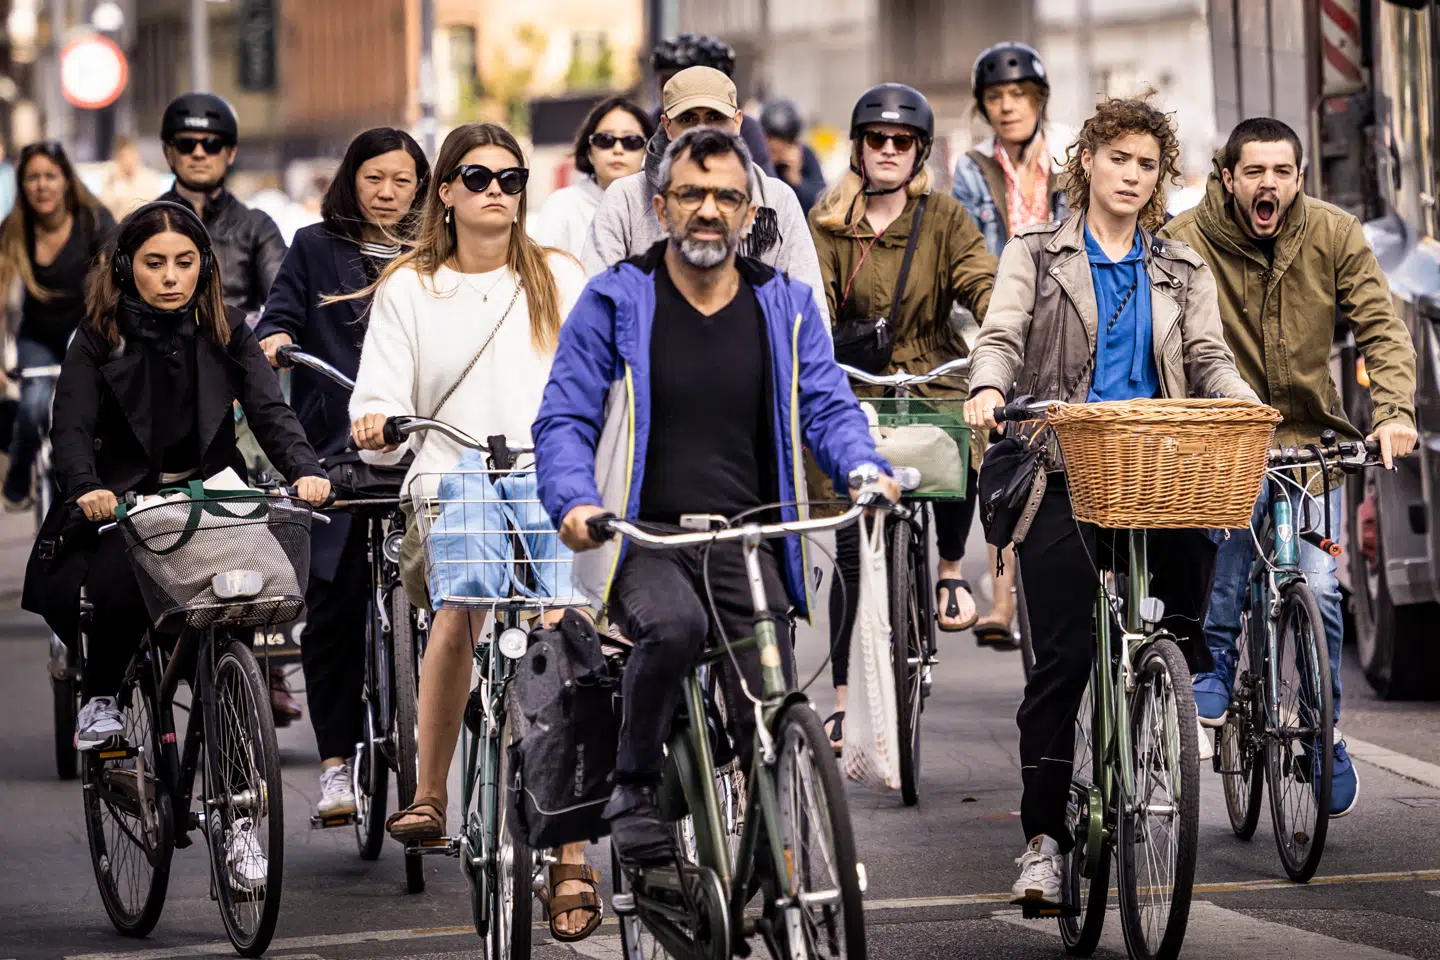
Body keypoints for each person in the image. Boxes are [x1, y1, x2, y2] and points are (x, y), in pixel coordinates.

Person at [534, 125, 898, 865]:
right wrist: (573, 501)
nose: (709, 209)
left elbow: (826, 406)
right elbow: (565, 416)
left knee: (766, 693)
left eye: (726, 196)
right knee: (670, 630)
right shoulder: (617, 299)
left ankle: (770, 867)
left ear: (748, 212)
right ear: (662, 206)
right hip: (643, 537)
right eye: (692, 195)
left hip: (747, 536)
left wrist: (863, 467)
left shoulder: (785, 305)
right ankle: (632, 788)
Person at [962, 96, 1258, 905]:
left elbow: (1207, 357)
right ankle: (1043, 842)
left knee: (1203, 537)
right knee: (1061, 662)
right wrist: (989, 388)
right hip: (1060, 465)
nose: (1131, 174)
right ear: (1087, 160)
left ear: (1161, 179)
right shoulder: (1036, 254)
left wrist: (1239, 402)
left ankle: (1169, 671)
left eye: (1147, 164)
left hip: (1152, 466)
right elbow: (1001, 334)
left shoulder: (1182, 269)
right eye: (1118, 158)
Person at [20, 200, 328, 888]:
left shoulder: (226, 331)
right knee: (121, 579)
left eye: (184, 263)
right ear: (127, 267)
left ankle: (241, 819)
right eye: (154, 263)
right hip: (121, 500)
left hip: (213, 497)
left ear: (205, 266)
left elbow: (271, 412)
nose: (170, 277)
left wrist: (305, 469)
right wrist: (86, 487)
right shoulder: (96, 337)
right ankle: (101, 701)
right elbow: (68, 429)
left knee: (246, 611)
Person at [346, 122, 598, 941]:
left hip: (548, 475)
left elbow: (604, 376)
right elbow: (375, 395)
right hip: (450, 478)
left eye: (512, 177)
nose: (498, 189)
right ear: (444, 191)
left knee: (562, 638)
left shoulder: (560, 275)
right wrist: (375, 423)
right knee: (459, 605)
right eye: (478, 175)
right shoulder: (408, 288)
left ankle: (572, 857)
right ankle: (429, 792)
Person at [1159, 117, 1418, 818]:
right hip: (1225, 441)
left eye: (1282, 172)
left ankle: (1323, 732)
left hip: (1309, 447)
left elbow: (1381, 325)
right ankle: (1213, 659)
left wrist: (1393, 410)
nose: (1268, 183)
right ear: (1229, 178)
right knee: (1235, 548)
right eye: (1254, 172)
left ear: (1299, 179)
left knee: (1324, 587)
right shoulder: (1185, 242)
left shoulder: (1334, 233)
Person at [808, 83, 996, 748]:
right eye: (876, 140)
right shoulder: (827, 222)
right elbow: (813, 302)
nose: (888, 150)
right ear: (858, 147)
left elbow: (982, 280)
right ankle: (840, 699)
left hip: (932, 372)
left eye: (902, 142)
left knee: (968, 423)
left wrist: (1003, 314)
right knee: (853, 553)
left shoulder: (944, 216)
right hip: (856, 384)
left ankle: (948, 569)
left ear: (918, 152)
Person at [255, 127, 430, 821]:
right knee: (331, 612)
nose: (387, 193)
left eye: (402, 180)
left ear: (425, 188)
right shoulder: (314, 247)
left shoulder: (437, 256)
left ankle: (442, 759)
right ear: (350, 181)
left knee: (461, 602)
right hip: (336, 452)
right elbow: (278, 318)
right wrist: (276, 340)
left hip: (427, 450)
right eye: (373, 179)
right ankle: (335, 768)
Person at [156, 92, 295, 720]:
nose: (199, 153)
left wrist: (266, 338)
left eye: (211, 144)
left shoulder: (257, 226)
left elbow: (282, 297)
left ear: (230, 152)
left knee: (269, 500)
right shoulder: (145, 222)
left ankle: (264, 658)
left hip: (239, 382)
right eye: (187, 144)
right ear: (170, 152)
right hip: (159, 392)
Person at [952, 42, 1070, 648]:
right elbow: (973, 246)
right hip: (998, 312)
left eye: (1018, 96)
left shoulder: (1070, 163)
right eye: (995, 98)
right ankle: (1002, 596)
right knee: (997, 450)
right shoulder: (973, 168)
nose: (1006, 107)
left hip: (1065, 316)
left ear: (1039, 100)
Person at [582, 66, 828, 323]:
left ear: (737, 123)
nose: (701, 130)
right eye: (688, 119)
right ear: (667, 125)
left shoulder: (776, 199)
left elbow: (811, 317)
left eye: (714, 117)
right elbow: (593, 312)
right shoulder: (625, 199)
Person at [0, 141, 116, 510]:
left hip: (83, 332)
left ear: (66, 179)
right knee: (32, 405)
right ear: (22, 184)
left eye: (50, 176)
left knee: (88, 406)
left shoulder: (94, 220)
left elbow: (114, 281)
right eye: (32, 177)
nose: (41, 185)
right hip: (36, 337)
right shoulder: (13, 228)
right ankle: (20, 468)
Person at [533, 96, 655, 257]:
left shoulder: (660, 205)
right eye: (605, 140)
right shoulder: (561, 205)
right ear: (589, 150)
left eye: (631, 141)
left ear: (647, 151)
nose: (618, 149)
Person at [650, 33, 774, 174]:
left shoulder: (747, 129)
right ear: (666, 125)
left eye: (715, 118)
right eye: (666, 84)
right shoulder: (644, 125)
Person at [760, 99, 826, 214]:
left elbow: (821, 204)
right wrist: (767, 166)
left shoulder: (805, 155)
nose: (774, 145)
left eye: (781, 139)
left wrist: (796, 179)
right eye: (770, 137)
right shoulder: (756, 156)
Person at [99, 133, 167, 221]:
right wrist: (119, 183)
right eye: (124, 157)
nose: (128, 160)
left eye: (130, 155)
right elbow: (105, 207)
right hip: (118, 227)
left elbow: (147, 205)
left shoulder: (149, 178)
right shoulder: (111, 178)